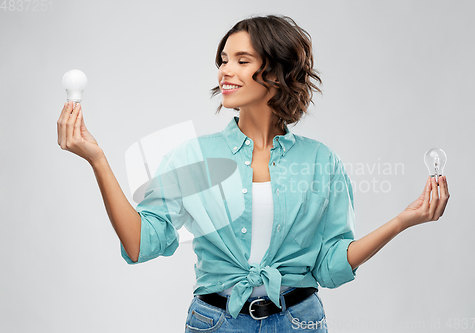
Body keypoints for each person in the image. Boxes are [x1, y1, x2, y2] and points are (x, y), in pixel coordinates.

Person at [57, 14, 450, 333]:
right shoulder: (194, 158)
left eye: (242, 60)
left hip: (300, 322)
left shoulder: (321, 162)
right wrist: (98, 160)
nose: (226, 71)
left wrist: (403, 220)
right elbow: (141, 244)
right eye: (223, 60)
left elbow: (330, 267)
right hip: (216, 323)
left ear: (277, 72)